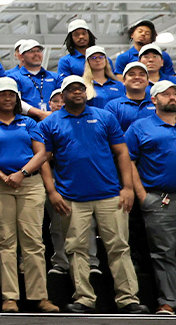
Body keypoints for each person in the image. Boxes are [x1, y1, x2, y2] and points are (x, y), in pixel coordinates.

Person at [38, 75, 149, 314]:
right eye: (71, 89)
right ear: (63, 94)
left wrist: (127, 188)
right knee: (76, 249)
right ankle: (84, 298)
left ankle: (128, 299)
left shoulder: (105, 117)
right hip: (71, 197)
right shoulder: (50, 122)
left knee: (119, 247)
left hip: (109, 194)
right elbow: (43, 160)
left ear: (86, 93)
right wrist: (52, 192)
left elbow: (122, 153)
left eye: (81, 89)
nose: (77, 92)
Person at [0, 77, 57, 313]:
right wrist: (1, 176)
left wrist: (21, 173)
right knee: (5, 242)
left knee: (33, 241)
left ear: (18, 98)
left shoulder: (29, 122)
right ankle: (10, 297)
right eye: (2, 94)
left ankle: (40, 297)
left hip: (29, 183)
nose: (7, 98)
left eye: (11, 94)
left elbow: (41, 153)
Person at [126, 80, 176, 315]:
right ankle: (169, 301)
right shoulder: (140, 127)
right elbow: (128, 161)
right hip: (159, 198)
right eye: (166, 94)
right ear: (154, 100)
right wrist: (142, 196)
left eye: (175, 93)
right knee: (163, 252)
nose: (172, 97)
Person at [7, 40, 57, 116]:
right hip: (26, 122)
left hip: (53, 120)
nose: (36, 54)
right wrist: (40, 114)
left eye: (39, 50)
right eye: (31, 51)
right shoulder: (13, 78)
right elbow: (16, 100)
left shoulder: (55, 77)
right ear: (21, 56)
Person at [105, 62, 156, 131]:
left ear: (147, 81)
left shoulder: (157, 104)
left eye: (142, 74)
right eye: (132, 74)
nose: (137, 77)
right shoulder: (113, 106)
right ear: (124, 81)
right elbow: (112, 134)